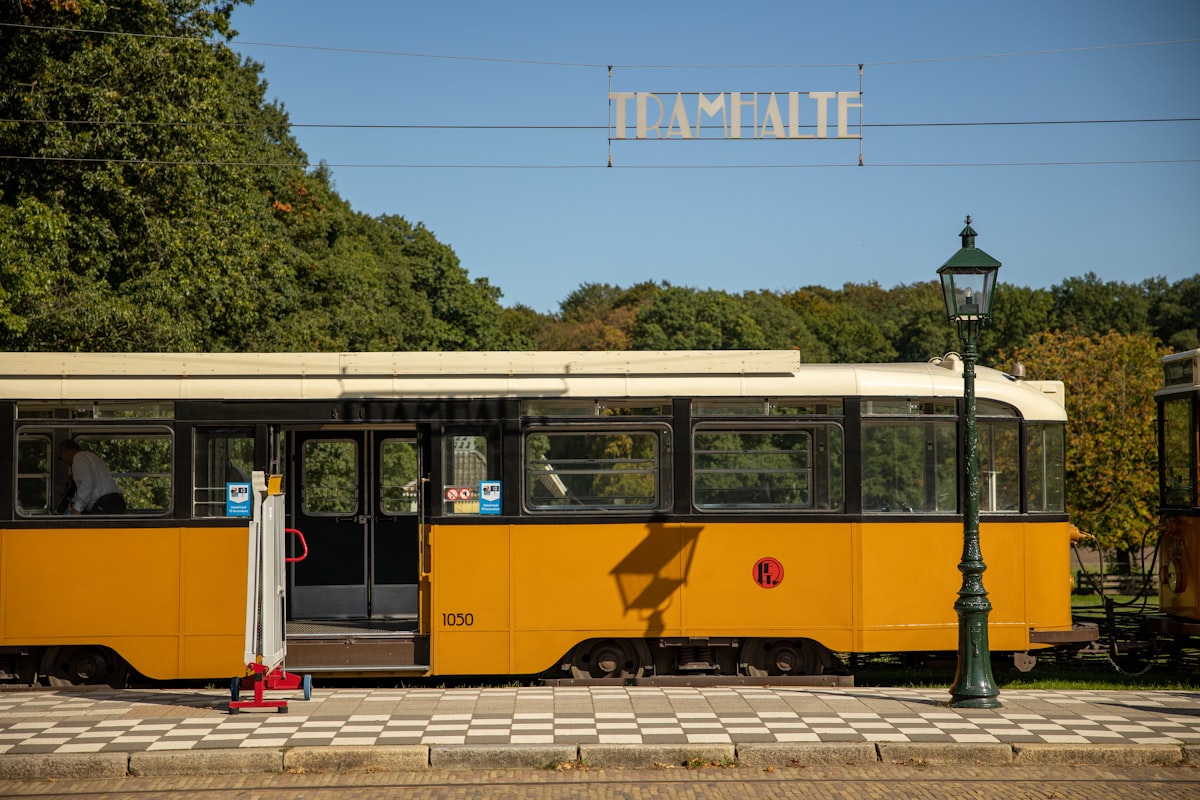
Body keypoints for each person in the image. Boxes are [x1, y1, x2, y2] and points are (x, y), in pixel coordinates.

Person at [58, 439, 126, 514]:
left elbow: (86, 483)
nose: (63, 461)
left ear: (67, 451)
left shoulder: (78, 458)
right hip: (115, 502)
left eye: (61, 457)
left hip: (106, 503)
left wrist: (77, 508)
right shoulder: (90, 456)